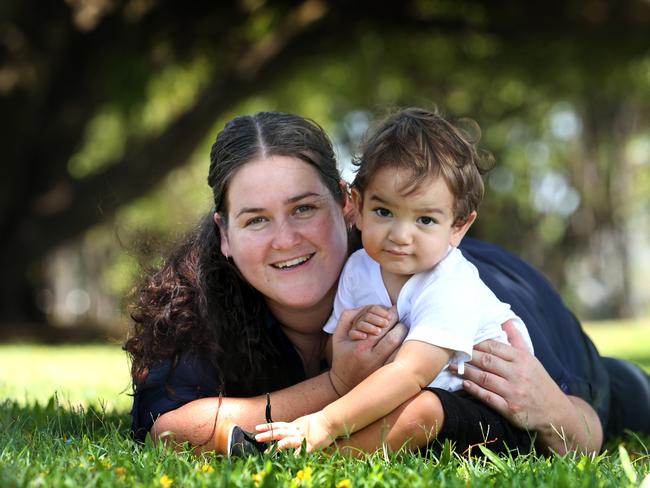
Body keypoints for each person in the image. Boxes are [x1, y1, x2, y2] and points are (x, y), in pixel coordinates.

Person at [125, 111, 650, 458]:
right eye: (256, 219)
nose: (285, 239)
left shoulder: (445, 284)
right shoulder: (209, 299)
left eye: (304, 208)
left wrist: (553, 408)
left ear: (345, 204)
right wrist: (334, 384)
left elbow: (580, 436)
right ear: (226, 234)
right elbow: (167, 425)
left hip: (535, 333)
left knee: (629, 393)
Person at [253, 108, 535, 454]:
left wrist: (324, 421)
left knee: (422, 408)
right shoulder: (358, 267)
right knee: (409, 405)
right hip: (415, 399)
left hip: (491, 411)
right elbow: (333, 351)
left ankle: (316, 453)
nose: (400, 235)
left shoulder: (452, 285)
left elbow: (410, 373)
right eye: (384, 212)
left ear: (458, 226)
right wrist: (354, 335)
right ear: (356, 204)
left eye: (425, 220)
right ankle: (294, 443)